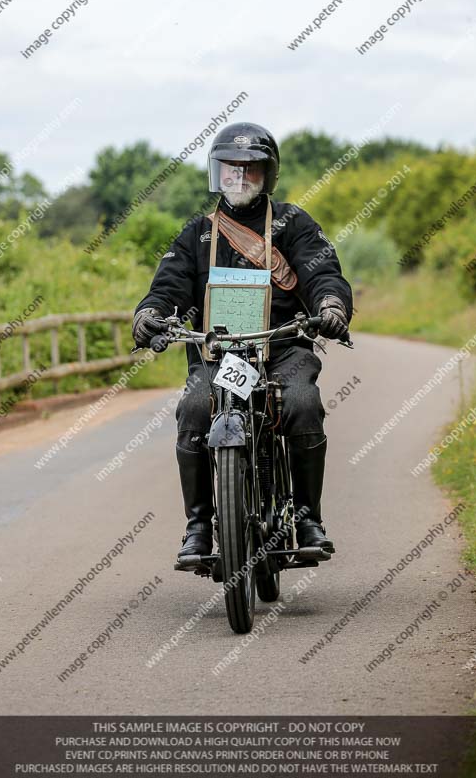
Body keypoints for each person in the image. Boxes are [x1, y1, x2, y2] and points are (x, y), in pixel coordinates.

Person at [132, 122, 353, 561]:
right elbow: (168, 285)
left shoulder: (295, 224)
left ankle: (308, 518)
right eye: (230, 169)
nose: (239, 177)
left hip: (284, 349)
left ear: (266, 174)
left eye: (249, 169)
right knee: (194, 408)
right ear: (217, 173)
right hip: (218, 354)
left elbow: (322, 272)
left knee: (303, 403)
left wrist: (330, 305)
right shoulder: (197, 233)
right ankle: (197, 525)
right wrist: (149, 314)